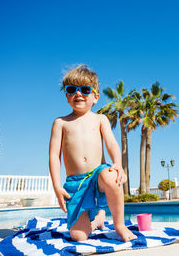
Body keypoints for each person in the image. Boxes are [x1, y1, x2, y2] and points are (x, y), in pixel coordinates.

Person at [49, 64, 137, 242]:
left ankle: (119, 225)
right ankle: (97, 219)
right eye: (72, 89)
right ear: (67, 96)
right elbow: (53, 157)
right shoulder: (61, 123)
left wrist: (117, 164)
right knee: (79, 237)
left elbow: (112, 143)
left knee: (112, 176)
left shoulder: (100, 119)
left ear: (95, 97)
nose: (78, 94)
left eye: (85, 90)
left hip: (98, 176)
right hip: (76, 183)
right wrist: (57, 186)